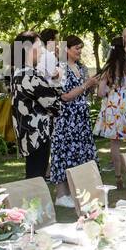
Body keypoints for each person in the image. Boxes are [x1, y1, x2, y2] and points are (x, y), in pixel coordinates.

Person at [48, 35, 100, 205]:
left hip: (81, 119)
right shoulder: (60, 68)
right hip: (67, 119)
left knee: (81, 153)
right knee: (64, 154)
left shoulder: (80, 67)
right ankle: (61, 196)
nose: (79, 51)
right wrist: (86, 85)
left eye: (80, 48)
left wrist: (91, 85)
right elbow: (64, 96)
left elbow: (82, 92)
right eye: (76, 48)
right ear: (66, 49)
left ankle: (80, 191)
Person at [9, 31, 62, 180]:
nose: (42, 52)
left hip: (28, 134)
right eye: (39, 47)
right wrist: (57, 79)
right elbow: (55, 105)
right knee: (36, 180)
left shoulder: (18, 73)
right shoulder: (30, 75)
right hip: (37, 136)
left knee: (33, 178)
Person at [94, 36, 126, 176]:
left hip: (114, 104)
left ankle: (118, 175)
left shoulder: (108, 68)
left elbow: (101, 92)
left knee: (114, 142)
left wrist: (110, 90)